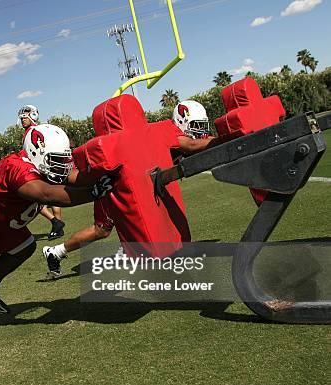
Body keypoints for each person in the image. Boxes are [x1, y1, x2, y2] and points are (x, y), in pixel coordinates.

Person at [0, 124, 114, 341]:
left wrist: (104, 175)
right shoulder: (18, 169)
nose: (63, 165)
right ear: (36, 152)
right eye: (57, 159)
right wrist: (94, 192)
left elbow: (73, 176)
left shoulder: (41, 164)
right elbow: (47, 194)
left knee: (24, 245)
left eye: (64, 158)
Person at [42, 99, 216, 277]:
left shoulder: (158, 131)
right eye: (196, 125)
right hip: (112, 186)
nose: (201, 130)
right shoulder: (168, 132)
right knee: (101, 230)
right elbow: (193, 145)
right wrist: (224, 140)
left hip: (137, 185)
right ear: (182, 120)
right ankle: (55, 252)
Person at [18, 105, 65, 240]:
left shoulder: (32, 131)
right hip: (45, 166)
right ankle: (58, 226)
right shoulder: (37, 130)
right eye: (21, 119)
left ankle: (56, 222)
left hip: (38, 167)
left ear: (32, 116)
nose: (23, 121)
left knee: (34, 199)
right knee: (52, 196)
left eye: (25, 118)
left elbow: (38, 149)